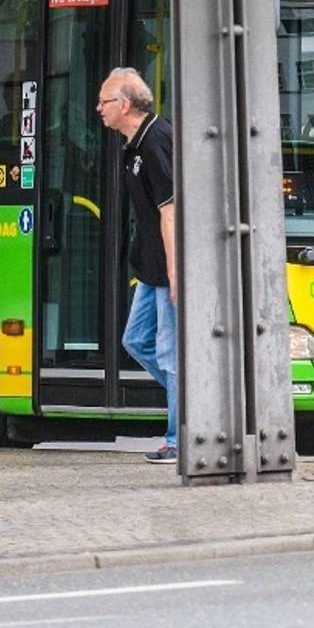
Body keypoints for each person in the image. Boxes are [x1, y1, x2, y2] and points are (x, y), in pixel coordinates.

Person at [96, 67, 179, 465]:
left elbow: (171, 211)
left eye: (104, 101)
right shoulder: (135, 144)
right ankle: (195, 397)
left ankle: (179, 438)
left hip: (166, 266)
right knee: (136, 341)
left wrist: (175, 272)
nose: (99, 108)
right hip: (150, 264)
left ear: (125, 104)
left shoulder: (157, 141)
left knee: (168, 353)